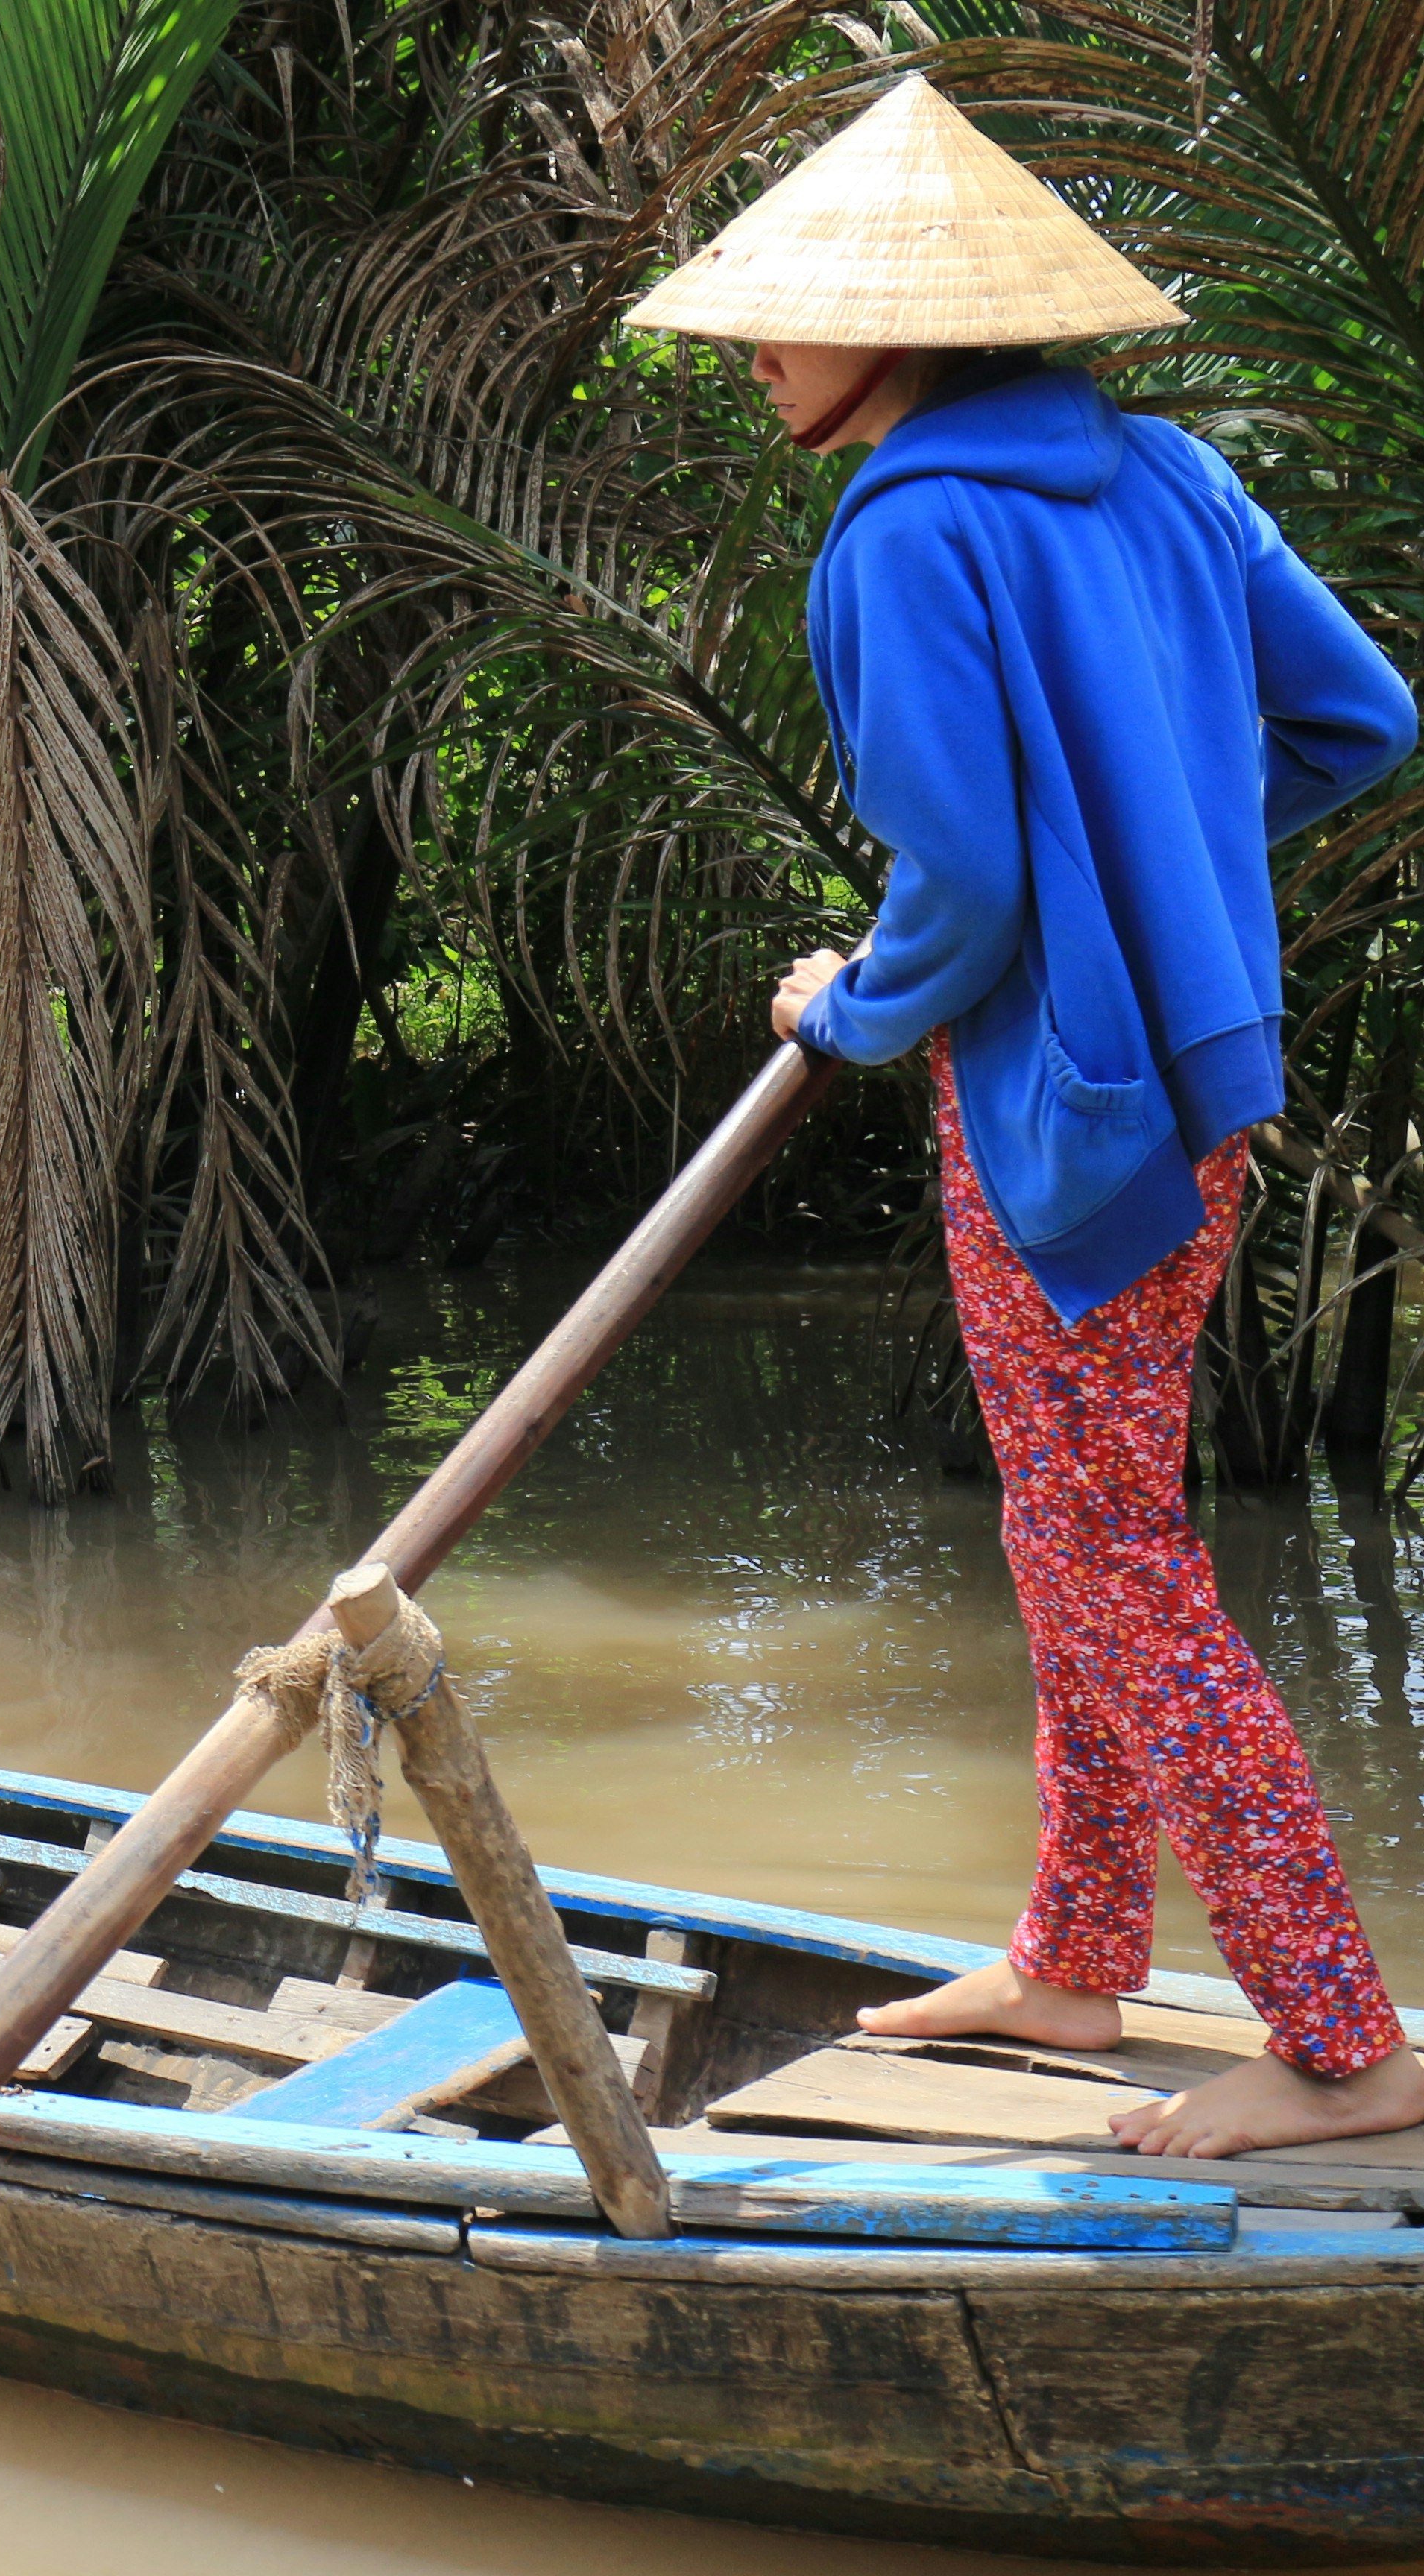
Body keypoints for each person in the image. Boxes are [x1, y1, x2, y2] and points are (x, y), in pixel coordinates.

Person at [628, 77, 1422, 2154]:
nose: (760, 353)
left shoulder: (905, 529)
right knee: (1073, 1527)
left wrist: (851, 1005)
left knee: (1114, 1565)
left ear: (904, 330)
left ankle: (1343, 2046)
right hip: (1191, 1085)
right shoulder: (1165, 470)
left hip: (1065, 1116)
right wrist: (1164, 886)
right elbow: (1362, 716)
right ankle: (1074, 1956)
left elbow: (964, 884)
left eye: (794, 320)